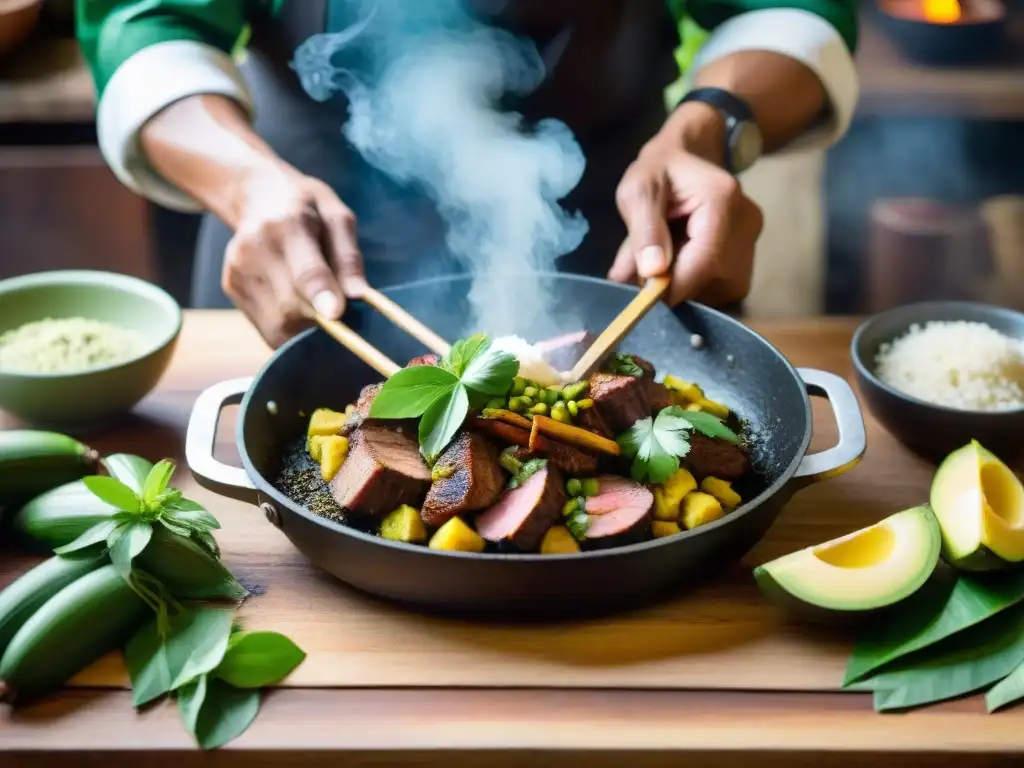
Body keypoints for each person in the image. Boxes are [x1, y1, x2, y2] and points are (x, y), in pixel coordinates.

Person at [78, 1, 858, 349]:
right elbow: (146, 19)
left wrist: (708, 126)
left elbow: (790, 7)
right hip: (299, 232)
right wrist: (247, 185)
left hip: (622, 239)